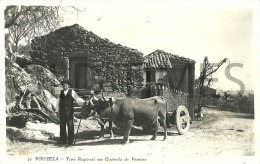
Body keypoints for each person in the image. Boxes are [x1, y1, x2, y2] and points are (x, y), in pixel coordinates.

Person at [57, 80, 84, 146]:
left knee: (70, 125)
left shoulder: (72, 92)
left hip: (69, 111)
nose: (65, 86)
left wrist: (83, 103)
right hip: (62, 111)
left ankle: (70, 140)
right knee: (62, 125)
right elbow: (58, 102)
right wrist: (57, 110)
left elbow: (77, 98)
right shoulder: (60, 92)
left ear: (68, 86)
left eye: (66, 85)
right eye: (63, 85)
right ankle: (63, 139)